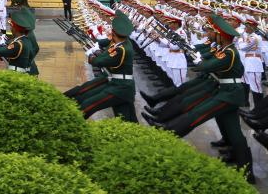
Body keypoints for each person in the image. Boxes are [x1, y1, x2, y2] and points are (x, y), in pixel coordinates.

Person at [146, 13, 254, 183]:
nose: (211, 35)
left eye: (215, 33)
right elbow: (207, 59)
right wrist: (194, 52)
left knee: (197, 114)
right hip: (227, 90)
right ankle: (246, 170)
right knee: (234, 130)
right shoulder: (224, 50)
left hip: (229, 93)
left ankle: (167, 132)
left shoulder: (228, 53)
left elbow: (204, 66)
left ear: (221, 35)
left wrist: (197, 57)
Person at [74, 13, 137, 122]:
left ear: (113, 33)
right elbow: (104, 46)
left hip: (120, 88)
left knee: (86, 106)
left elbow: (100, 61)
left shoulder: (121, 49)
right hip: (119, 85)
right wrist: (94, 46)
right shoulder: (122, 43)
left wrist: (91, 55)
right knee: (127, 121)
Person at [0, 9, 37, 76]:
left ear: (15, 29)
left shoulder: (18, 44)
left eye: (11, 26)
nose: (10, 28)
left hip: (19, 75)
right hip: (29, 73)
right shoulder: (25, 39)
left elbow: (2, 51)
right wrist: (5, 43)